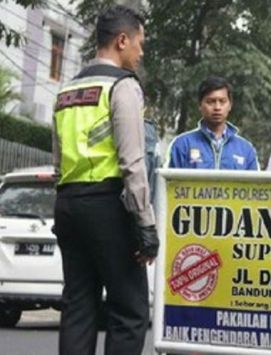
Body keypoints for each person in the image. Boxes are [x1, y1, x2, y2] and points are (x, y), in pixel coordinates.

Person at [51, 5, 157, 355]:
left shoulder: (66, 92)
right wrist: (145, 223)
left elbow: (58, 160)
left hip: (68, 205)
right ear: (122, 40)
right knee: (129, 310)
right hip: (108, 206)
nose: (141, 52)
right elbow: (132, 161)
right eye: (139, 44)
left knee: (78, 307)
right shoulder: (122, 86)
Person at [167, 76, 259, 170]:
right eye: (211, 102)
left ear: (230, 105)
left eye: (222, 101)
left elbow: (254, 184)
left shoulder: (245, 150)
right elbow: (172, 183)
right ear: (200, 105)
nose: (217, 107)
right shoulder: (183, 145)